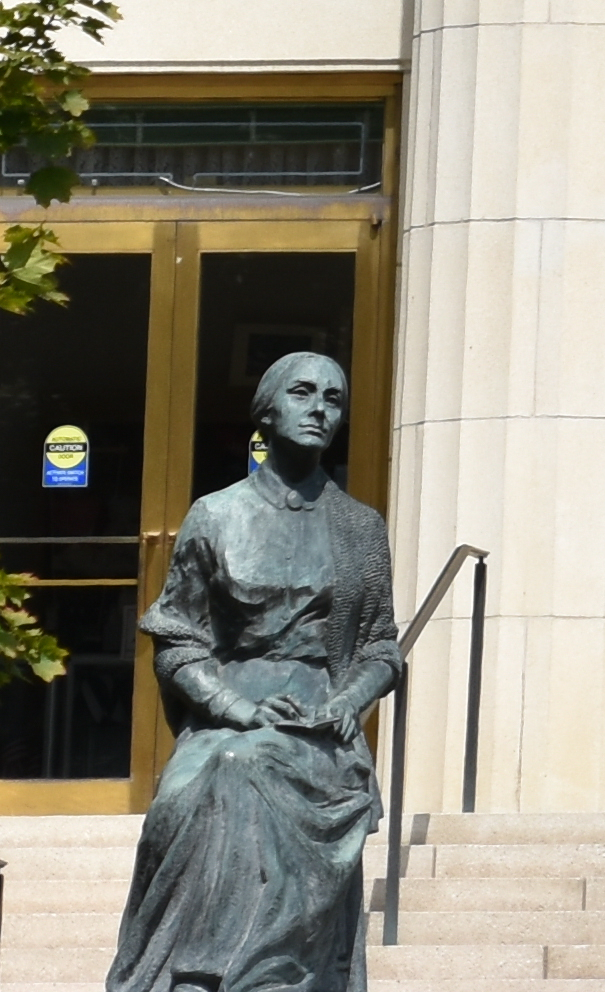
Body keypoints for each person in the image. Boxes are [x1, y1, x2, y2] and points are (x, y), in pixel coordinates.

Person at [101, 349, 402, 992]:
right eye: (302, 393)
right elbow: (176, 640)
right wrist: (236, 708)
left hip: (318, 720)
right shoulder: (216, 515)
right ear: (266, 412)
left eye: (333, 398)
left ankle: (232, 973)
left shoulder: (360, 527)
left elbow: (381, 648)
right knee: (185, 798)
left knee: (244, 768)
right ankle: (182, 970)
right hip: (229, 709)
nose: (319, 409)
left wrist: (346, 702)